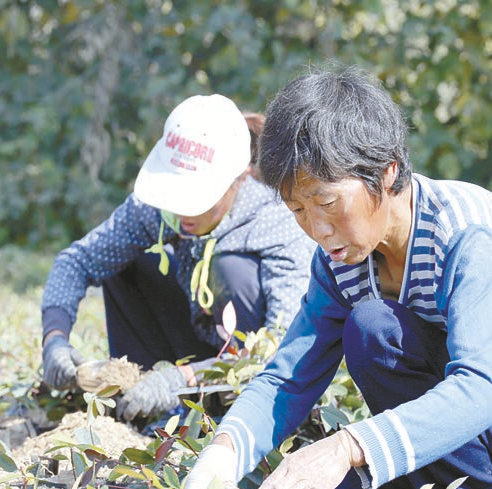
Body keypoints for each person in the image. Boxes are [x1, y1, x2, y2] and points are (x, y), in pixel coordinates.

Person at [178, 69, 492, 489]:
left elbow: (478, 392)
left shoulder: (465, 237)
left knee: (373, 330)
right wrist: (222, 454)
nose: (317, 229)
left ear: (386, 172)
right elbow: (289, 376)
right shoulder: (341, 258)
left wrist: (348, 446)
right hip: (470, 445)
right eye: (298, 211)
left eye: (325, 202)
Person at [40, 94, 315, 422]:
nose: (183, 210)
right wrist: (54, 338)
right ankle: (142, 405)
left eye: (198, 200)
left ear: (239, 177)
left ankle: (220, 410)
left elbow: (282, 344)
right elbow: (77, 261)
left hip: (243, 370)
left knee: (232, 268)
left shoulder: (276, 220)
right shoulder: (155, 209)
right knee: (128, 260)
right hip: (185, 344)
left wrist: (183, 378)